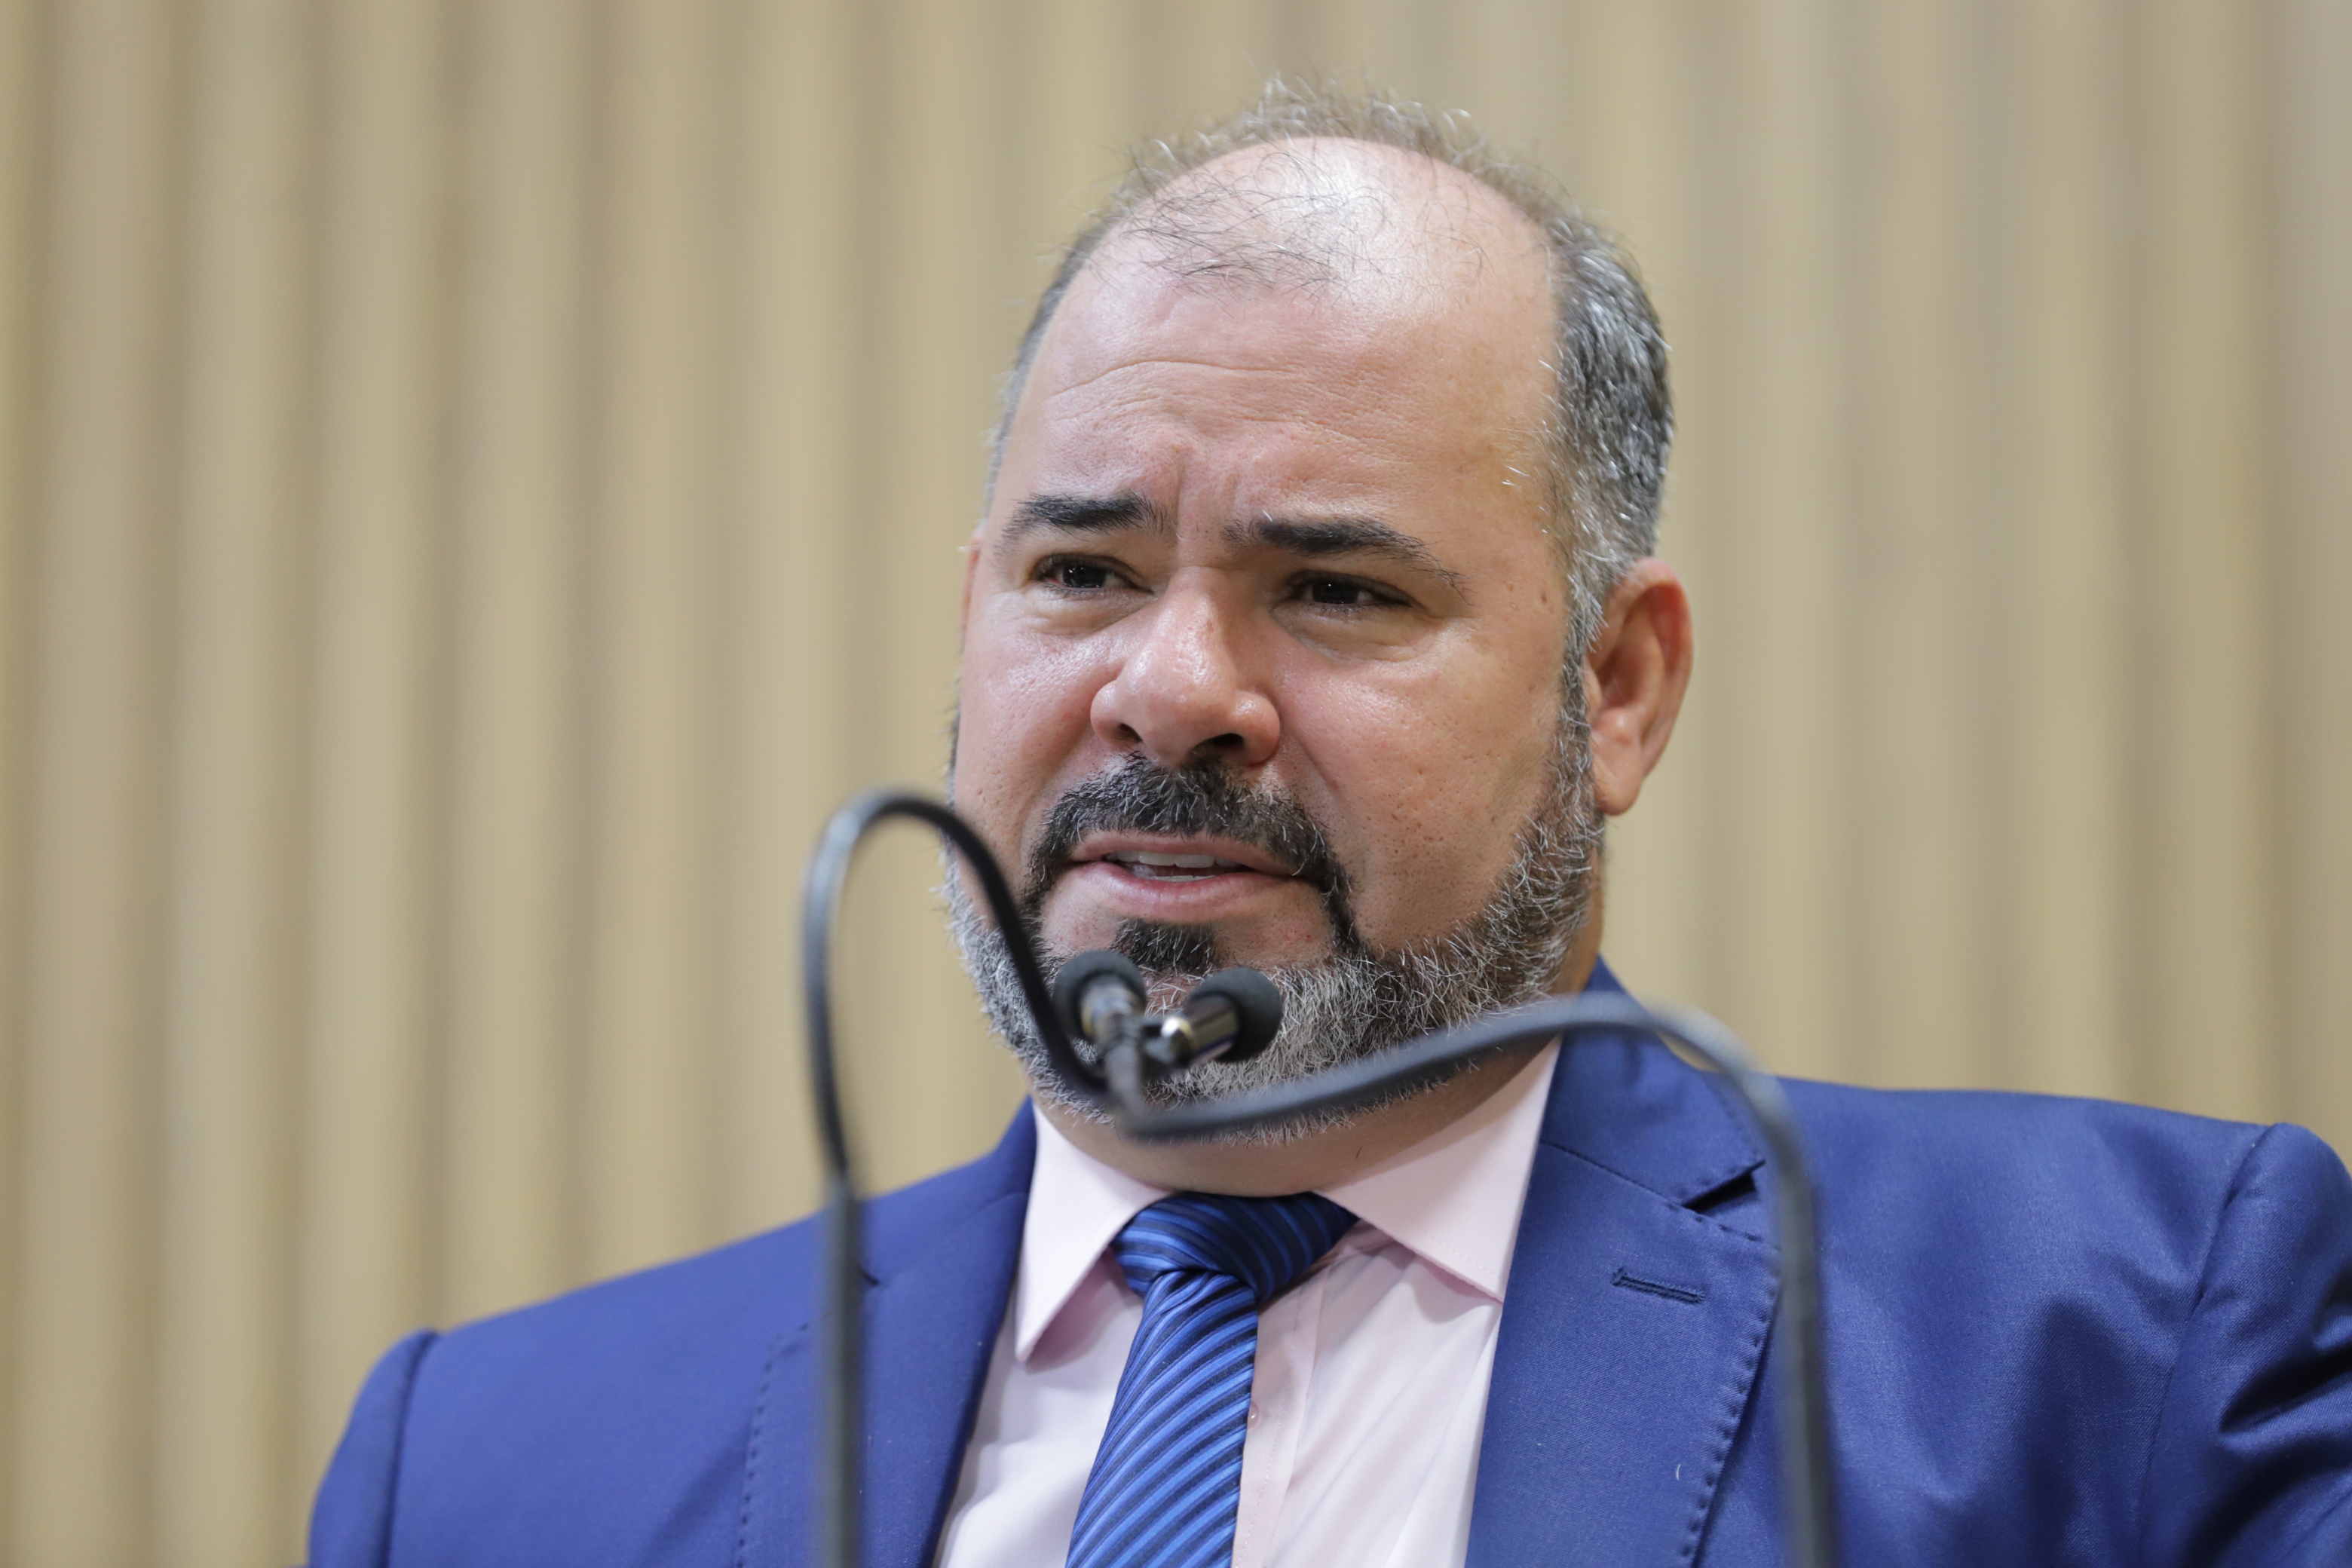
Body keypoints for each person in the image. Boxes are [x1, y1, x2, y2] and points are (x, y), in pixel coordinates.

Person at [308, 82, 2352, 1568]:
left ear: (1617, 689)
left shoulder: (2126, 1339)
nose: (1170, 688)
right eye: (1084, 573)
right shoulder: (488, 1469)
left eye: (1338, 588)